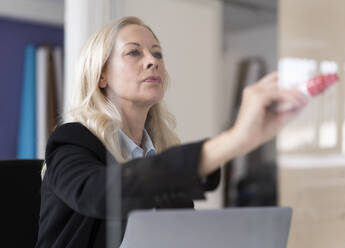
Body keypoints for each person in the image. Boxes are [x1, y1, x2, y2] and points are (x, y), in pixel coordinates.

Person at [35, 16, 307, 248]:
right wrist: (235, 140)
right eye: (134, 52)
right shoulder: (72, 140)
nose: (152, 61)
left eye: (157, 53)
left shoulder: (161, 154)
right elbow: (98, 194)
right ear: (101, 75)